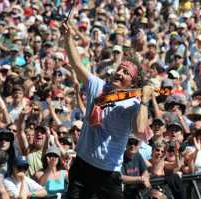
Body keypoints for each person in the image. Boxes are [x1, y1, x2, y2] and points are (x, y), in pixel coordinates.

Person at [62, 20, 153, 199]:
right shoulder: (98, 86)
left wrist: (145, 101)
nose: (120, 73)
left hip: (109, 174)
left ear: (133, 84)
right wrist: (68, 38)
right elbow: (77, 64)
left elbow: (140, 129)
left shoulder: (133, 104)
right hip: (82, 168)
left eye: (126, 73)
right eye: (120, 69)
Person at [121, 135, 150, 199]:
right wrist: (140, 179)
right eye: (130, 143)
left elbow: (145, 171)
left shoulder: (138, 155)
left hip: (139, 189)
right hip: (126, 191)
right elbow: (122, 178)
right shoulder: (121, 157)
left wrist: (145, 180)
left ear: (138, 145)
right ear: (126, 144)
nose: (132, 146)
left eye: (135, 143)